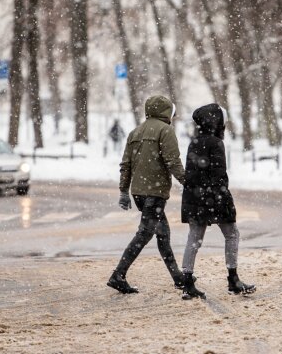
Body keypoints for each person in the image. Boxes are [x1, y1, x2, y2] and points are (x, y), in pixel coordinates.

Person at [107, 95, 186, 294]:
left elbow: (126, 165)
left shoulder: (135, 132)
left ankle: (177, 277)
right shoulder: (165, 130)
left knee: (163, 234)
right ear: (167, 111)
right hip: (155, 193)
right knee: (144, 234)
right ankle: (118, 274)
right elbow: (173, 161)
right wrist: (189, 183)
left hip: (140, 193)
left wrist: (124, 192)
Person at [180, 103, 256, 300]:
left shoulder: (194, 142)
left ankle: (187, 280)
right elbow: (219, 174)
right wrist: (222, 198)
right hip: (214, 196)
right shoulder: (215, 143)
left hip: (195, 197)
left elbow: (193, 173)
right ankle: (233, 279)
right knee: (232, 234)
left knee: (194, 238)